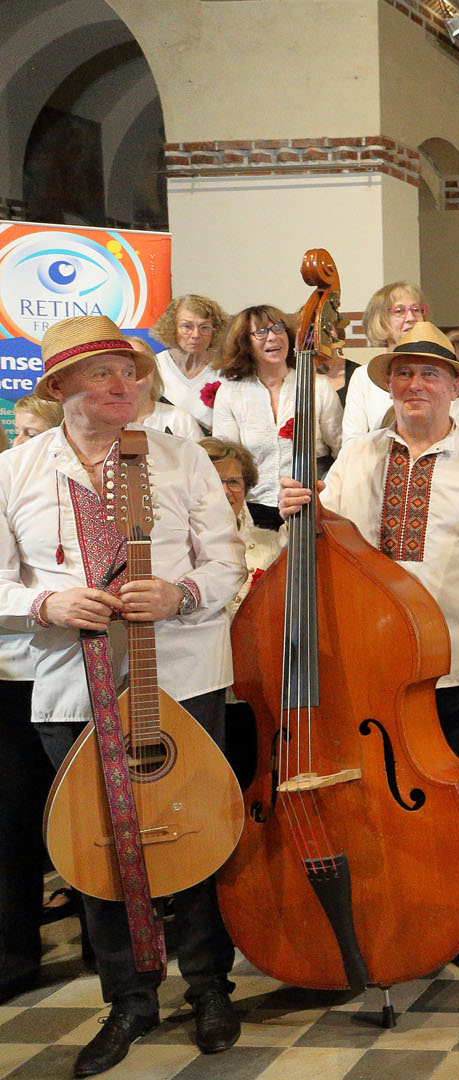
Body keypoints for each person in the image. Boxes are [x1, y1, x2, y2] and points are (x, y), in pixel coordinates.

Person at [0, 315, 246, 1075]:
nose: (123, 384)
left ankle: (209, 986)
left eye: (129, 371)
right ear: (59, 387)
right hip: (71, 686)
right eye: (102, 372)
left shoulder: (180, 457)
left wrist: (180, 593)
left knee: (194, 828)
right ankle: (129, 999)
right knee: (96, 845)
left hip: (182, 676)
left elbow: (228, 561)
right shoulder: (15, 470)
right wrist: (45, 603)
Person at [278, 320, 459, 975]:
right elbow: (328, 549)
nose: (414, 384)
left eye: (429, 373)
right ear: (389, 385)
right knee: (373, 807)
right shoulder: (359, 456)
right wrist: (301, 517)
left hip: (453, 669)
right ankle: (390, 916)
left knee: (450, 810)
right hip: (367, 668)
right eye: (403, 373)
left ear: (454, 387)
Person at [209, 305, 343, 529]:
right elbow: (228, 462)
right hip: (253, 511)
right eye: (261, 332)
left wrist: (328, 494)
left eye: (278, 328)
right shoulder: (230, 392)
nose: (272, 337)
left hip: (310, 506)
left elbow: (341, 449)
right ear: (245, 343)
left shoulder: (318, 386)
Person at [343, 281, 459, 440]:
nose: (411, 318)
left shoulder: (445, 373)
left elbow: (457, 439)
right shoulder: (363, 377)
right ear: (380, 321)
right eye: (399, 311)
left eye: (416, 310)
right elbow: (352, 442)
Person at [198, 439, 281, 614]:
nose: (225, 491)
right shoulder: (177, 547)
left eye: (233, 482)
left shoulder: (274, 544)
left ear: (245, 489)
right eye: (213, 481)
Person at [151, 294, 226, 426]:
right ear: (172, 328)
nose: (196, 335)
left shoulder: (225, 369)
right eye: (187, 327)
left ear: (215, 331)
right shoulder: (155, 366)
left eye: (204, 327)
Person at [127, 340, 202, 440]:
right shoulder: (106, 424)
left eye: (143, 361)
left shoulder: (181, 420)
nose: (138, 369)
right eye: (128, 365)